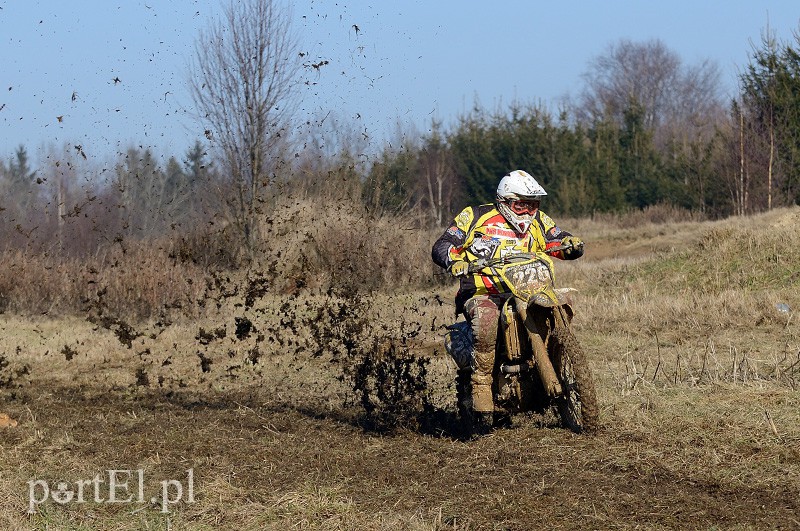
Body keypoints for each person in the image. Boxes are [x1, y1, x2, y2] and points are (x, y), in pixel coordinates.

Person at [431, 169, 584, 435]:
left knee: (559, 303)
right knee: (487, 319)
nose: (528, 211)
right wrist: (454, 260)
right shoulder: (475, 216)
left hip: (528, 289)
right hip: (484, 291)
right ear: (505, 201)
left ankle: (555, 365)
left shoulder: (539, 221)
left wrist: (569, 243)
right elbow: (443, 244)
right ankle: (481, 392)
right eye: (521, 205)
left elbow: (556, 238)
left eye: (533, 205)